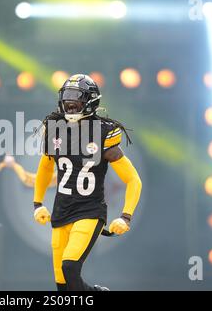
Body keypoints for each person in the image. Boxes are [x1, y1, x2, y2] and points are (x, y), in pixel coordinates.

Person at [33, 74, 143, 291]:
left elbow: (132, 179)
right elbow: (46, 166)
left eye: (77, 99)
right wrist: (37, 203)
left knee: (70, 266)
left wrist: (126, 216)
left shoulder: (103, 132)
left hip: (89, 211)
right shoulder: (55, 127)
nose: (70, 104)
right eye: (67, 98)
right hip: (61, 211)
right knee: (63, 285)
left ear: (90, 101)